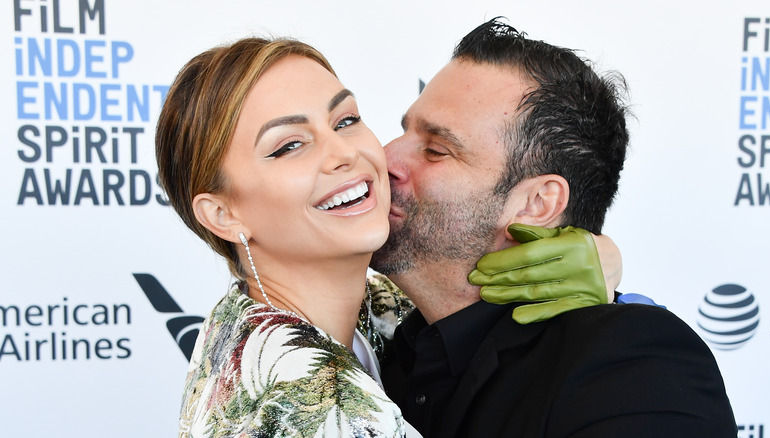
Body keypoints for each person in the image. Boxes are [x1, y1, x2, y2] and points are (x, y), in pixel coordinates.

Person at [156, 36, 617, 437]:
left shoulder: (346, 307)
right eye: (289, 145)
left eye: (345, 121)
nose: (344, 154)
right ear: (222, 214)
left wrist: (609, 262)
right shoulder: (312, 407)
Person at [373, 19, 738, 437]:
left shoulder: (630, 363)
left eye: (436, 150)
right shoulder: (387, 344)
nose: (383, 159)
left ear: (537, 204)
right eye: (405, 130)